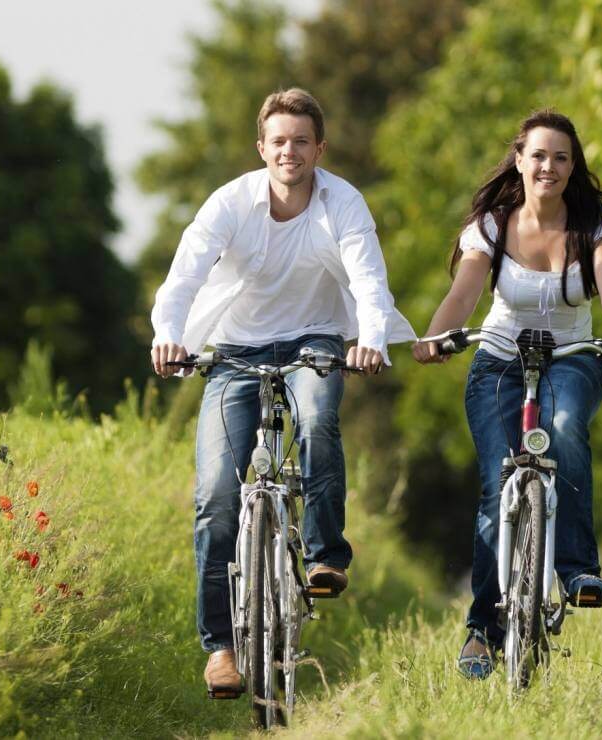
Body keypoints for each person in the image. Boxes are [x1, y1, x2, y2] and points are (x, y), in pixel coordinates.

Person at [150, 88, 415, 698]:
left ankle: (325, 557)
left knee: (318, 417)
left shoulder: (343, 202)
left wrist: (371, 340)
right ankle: (220, 649)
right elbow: (184, 276)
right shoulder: (230, 203)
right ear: (261, 148)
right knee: (216, 495)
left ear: (319, 148)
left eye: (301, 141)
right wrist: (168, 336)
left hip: (314, 339)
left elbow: (368, 279)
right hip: (234, 350)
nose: (288, 151)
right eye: (278, 141)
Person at [412, 110, 602, 680]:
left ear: (573, 166)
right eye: (539, 155)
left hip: (572, 357)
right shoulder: (493, 225)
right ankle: (482, 630)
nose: (549, 166)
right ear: (519, 160)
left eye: (561, 157)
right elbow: (465, 292)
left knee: (563, 430)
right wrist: (435, 337)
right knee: (500, 481)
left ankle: (577, 569)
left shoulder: (594, 220)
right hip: (498, 358)